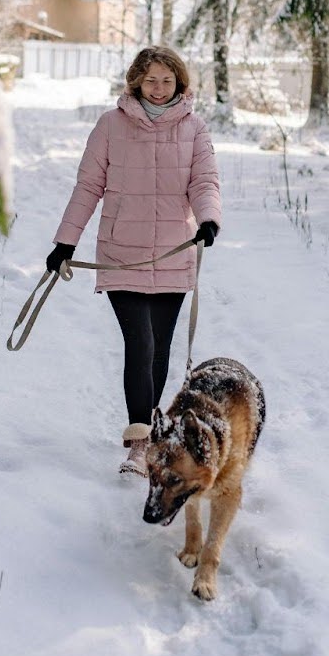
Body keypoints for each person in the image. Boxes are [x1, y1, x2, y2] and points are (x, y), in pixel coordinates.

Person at [47, 46, 222, 477]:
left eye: (166, 80)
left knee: (160, 348)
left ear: (179, 82)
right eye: (150, 80)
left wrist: (209, 219)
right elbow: (88, 186)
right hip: (121, 255)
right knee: (139, 343)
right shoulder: (110, 126)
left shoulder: (195, 128)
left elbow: (204, 180)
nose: (158, 89)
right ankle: (139, 442)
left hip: (172, 252)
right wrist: (65, 242)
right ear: (136, 82)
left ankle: (149, 431)